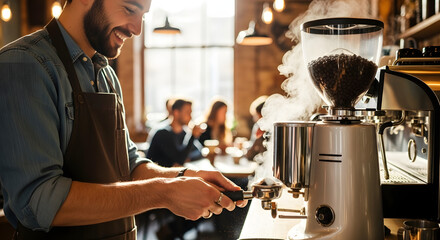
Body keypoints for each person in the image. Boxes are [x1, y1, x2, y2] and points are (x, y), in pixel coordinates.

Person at [0, 0, 246, 239]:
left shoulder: (106, 74)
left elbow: (127, 166)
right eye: (130, 9)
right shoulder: (25, 64)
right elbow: (39, 202)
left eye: (143, 16)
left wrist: (183, 177)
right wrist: (164, 193)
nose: (137, 29)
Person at [147, 99, 204, 167]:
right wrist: (192, 136)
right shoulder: (163, 133)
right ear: (176, 113)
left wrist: (188, 157)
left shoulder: (184, 133)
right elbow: (179, 160)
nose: (190, 117)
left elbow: (199, 152)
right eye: (187, 112)